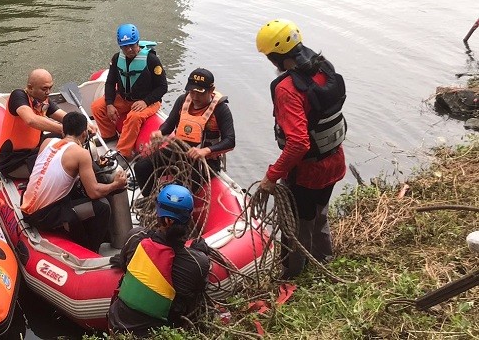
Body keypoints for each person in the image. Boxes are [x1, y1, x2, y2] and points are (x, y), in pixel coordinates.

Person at [255, 19, 347, 279]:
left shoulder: (287, 89)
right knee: (319, 214)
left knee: (294, 225)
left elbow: (298, 143)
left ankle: (292, 274)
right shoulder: (324, 67)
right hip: (333, 160)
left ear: (275, 57)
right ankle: (324, 259)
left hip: (306, 172)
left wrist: (271, 176)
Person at [108, 184, 211, 336]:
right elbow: (196, 291)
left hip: (115, 324)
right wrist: (200, 252)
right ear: (188, 218)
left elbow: (125, 264)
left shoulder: (135, 237)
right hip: (159, 333)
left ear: (159, 213)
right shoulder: (198, 262)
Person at [20, 112, 128, 252]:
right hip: (43, 216)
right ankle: (91, 249)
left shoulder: (48, 142)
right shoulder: (81, 154)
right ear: (84, 133)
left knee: (77, 193)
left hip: (26, 207)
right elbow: (94, 192)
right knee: (102, 207)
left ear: (63, 130)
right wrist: (116, 185)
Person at [132, 68, 235, 197]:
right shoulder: (183, 100)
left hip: (204, 161)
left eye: (200, 93)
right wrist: (160, 132)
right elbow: (169, 124)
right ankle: (151, 201)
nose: (195, 97)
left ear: (211, 90)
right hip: (178, 151)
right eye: (192, 92)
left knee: (179, 190)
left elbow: (230, 141)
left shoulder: (221, 110)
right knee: (141, 167)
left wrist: (206, 150)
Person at [92, 24, 168, 159]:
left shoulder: (152, 60)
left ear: (137, 42)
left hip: (149, 100)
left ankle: (123, 152)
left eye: (132, 45)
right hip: (124, 98)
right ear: (120, 46)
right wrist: (109, 103)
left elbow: (162, 87)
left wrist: (146, 101)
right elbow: (110, 83)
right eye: (125, 46)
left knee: (134, 117)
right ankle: (109, 135)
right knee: (97, 107)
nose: (129, 49)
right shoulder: (117, 59)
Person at [0, 69, 66, 179]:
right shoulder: (18, 96)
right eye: (44, 89)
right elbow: (31, 120)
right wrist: (64, 129)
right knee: (64, 166)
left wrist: (82, 124)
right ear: (30, 88)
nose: (48, 92)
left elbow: (63, 116)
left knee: (68, 136)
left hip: (33, 149)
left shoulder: (43, 100)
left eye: (50, 88)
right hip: (14, 161)